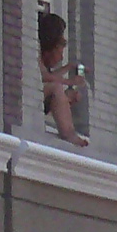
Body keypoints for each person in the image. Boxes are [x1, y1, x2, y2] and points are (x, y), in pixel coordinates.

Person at [38, 12, 86, 146]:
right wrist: (69, 81)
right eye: (61, 45)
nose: (61, 54)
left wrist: (68, 68)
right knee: (57, 88)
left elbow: (49, 77)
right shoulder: (35, 55)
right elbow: (43, 77)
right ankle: (69, 134)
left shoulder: (44, 64)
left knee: (61, 93)